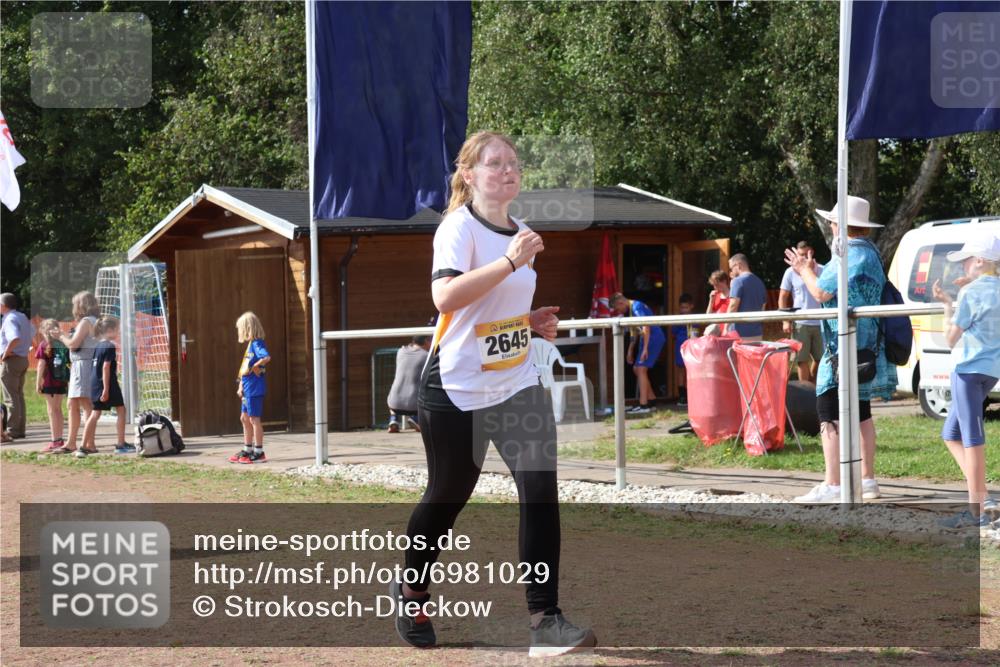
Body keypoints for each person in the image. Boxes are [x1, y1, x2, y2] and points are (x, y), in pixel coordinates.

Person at [399, 131, 594, 656]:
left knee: (540, 488)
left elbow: (491, 313)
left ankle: (544, 619)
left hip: (516, 383)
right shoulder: (458, 228)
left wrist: (529, 322)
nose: (508, 170)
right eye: (494, 163)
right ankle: (412, 590)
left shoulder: (523, 234)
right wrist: (508, 262)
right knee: (447, 497)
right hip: (456, 388)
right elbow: (445, 298)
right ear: (469, 175)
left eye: (513, 162)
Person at [784, 196, 895, 503]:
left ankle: (833, 483)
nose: (831, 226)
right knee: (862, 411)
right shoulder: (871, 254)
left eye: (832, 222)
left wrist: (803, 270)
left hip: (841, 348)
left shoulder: (846, 254)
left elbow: (821, 292)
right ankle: (867, 480)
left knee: (827, 411)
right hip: (867, 346)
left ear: (841, 225)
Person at [931, 232, 1000, 529]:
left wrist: (948, 306)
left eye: (967, 260)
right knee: (951, 433)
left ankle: (977, 512)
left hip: (967, 371)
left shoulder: (970, 293)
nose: (963, 266)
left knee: (972, 440)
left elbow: (950, 338)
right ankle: (983, 497)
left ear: (980, 261)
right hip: (991, 372)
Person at [55, 291, 99, 454]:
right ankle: (72, 442)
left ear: (81, 305)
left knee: (86, 404)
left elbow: (73, 345)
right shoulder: (92, 321)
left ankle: (88, 443)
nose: (73, 307)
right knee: (72, 403)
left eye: (75, 304)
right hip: (82, 364)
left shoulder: (86, 321)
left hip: (84, 365)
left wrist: (60, 336)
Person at [78, 317, 128, 457]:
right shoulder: (109, 346)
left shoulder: (98, 346)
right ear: (110, 330)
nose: (119, 332)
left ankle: (83, 446)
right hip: (108, 384)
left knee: (95, 414)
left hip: (95, 384)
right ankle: (121, 444)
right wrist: (106, 389)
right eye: (117, 329)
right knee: (121, 410)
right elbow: (106, 367)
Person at [611, 292, 666, 414]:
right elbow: (635, 331)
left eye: (617, 308)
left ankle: (644, 405)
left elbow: (645, 326)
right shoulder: (631, 310)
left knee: (641, 369)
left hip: (653, 338)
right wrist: (630, 350)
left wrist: (645, 348)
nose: (619, 311)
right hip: (645, 338)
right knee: (637, 369)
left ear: (620, 303)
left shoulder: (637, 306)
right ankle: (651, 400)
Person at [779, 241, 825, 383]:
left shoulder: (823, 270)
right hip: (800, 322)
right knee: (801, 360)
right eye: (800, 255)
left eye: (806, 254)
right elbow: (783, 296)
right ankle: (805, 389)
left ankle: (815, 388)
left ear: (812, 252)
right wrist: (785, 321)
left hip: (822, 322)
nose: (803, 258)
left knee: (822, 359)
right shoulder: (790, 272)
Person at [229, 312, 270, 464]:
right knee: (244, 418)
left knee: (254, 419)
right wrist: (240, 385)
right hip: (247, 388)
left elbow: (266, 357)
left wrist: (256, 366)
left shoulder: (257, 343)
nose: (239, 332)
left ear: (248, 328)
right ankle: (247, 449)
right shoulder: (250, 345)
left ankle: (259, 452)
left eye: (241, 328)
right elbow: (244, 368)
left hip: (254, 388)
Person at [0, 293, 34, 442]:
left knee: (10, 397)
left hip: (11, 361)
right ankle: (20, 429)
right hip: (22, 359)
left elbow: (14, 338)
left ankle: (12, 430)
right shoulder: (22, 317)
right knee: (18, 395)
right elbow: (33, 332)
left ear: (3, 305)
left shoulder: (9, 319)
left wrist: (5, 354)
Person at [34, 319, 69, 452]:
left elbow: (41, 364)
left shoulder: (44, 345)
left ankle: (55, 440)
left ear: (44, 331)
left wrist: (38, 382)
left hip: (49, 382)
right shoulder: (62, 344)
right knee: (58, 410)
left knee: (52, 411)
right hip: (61, 381)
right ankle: (59, 439)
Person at [386, 335, 431, 433]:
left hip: (394, 403)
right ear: (426, 341)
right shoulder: (426, 356)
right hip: (415, 406)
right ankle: (416, 419)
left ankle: (393, 419)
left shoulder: (400, 351)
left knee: (395, 390)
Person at [724, 254, 767, 341]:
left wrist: (725, 327)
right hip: (757, 333)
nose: (731, 271)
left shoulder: (737, 281)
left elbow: (733, 306)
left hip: (739, 334)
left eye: (731, 268)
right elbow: (763, 307)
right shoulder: (760, 282)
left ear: (738, 265)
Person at [671, 293, 697, 406]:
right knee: (681, 370)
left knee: (691, 370)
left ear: (691, 306)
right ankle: (682, 397)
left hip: (692, 345)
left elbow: (696, 332)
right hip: (680, 345)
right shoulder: (678, 318)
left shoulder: (695, 318)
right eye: (682, 308)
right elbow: (673, 333)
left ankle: (692, 396)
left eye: (686, 307)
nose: (684, 310)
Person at [703, 270, 730, 336]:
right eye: (714, 285)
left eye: (717, 285)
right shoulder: (716, 296)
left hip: (729, 331)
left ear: (724, 281)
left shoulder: (733, 296)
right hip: (717, 332)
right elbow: (707, 317)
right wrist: (711, 300)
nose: (715, 288)